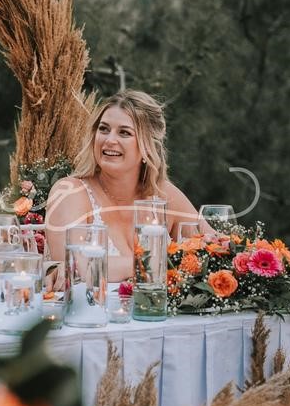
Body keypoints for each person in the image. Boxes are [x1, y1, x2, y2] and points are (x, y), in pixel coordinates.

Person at [45, 90, 202, 283]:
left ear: (147, 146)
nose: (109, 140)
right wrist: (158, 263)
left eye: (124, 132)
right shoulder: (70, 192)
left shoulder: (164, 194)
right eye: (104, 129)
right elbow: (76, 267)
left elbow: (217, 248)